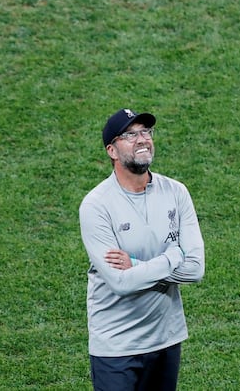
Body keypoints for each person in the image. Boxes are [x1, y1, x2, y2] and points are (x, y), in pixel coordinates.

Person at [79, 108, 205, 391]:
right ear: (112, 150)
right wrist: (173, 256)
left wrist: (135, 265)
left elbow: (196, 269)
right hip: (116, 345)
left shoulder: (176, 192)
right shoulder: (96, 205)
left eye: (146, 132)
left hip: (166, 338)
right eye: (130, 135)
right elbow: (120, 282)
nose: (142, 140)